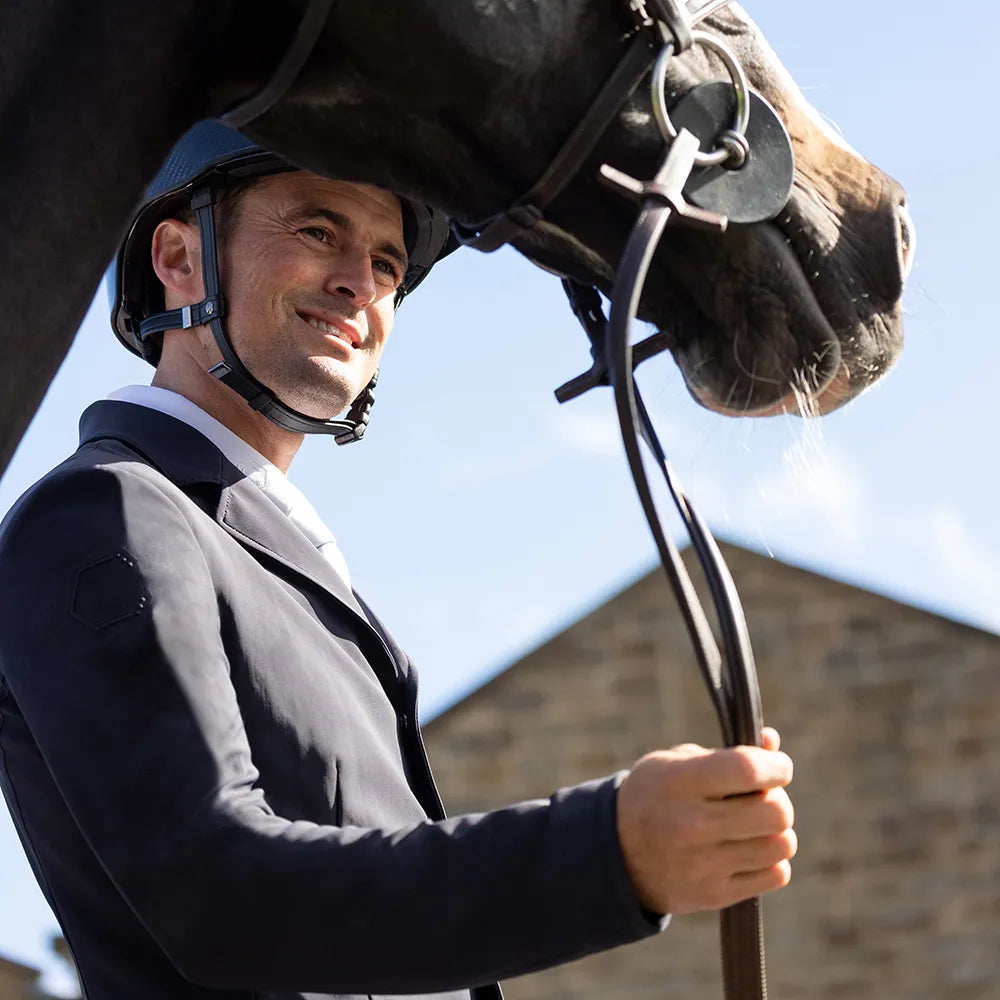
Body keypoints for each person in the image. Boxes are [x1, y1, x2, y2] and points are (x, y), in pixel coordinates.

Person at [0, 122, 796, 1000]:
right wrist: (607, 854)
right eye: (317, 230)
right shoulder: (104, 511)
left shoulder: (274, 548)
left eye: (387, 263)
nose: (360, 283)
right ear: (179, 261)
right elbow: (219, 899)